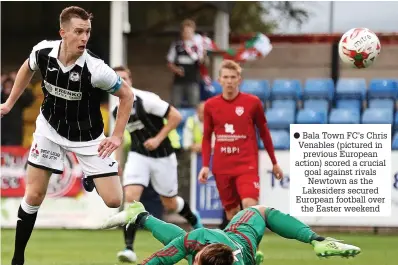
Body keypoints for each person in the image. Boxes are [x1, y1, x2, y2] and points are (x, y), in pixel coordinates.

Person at [0, 6, 134, 265]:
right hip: (49, 130)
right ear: (63, 32)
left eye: (88, 32)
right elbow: (26, 69)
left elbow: (127, 95)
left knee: (114, 200)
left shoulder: (97, 69)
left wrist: (116, 136)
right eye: (79, 32)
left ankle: (89, 174)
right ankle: (17, 259)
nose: (84, 38)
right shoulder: (42, 52)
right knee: (34, 195)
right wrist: (8, 104)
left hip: (88, 138)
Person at [110, 66, 203, 263]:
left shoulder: (146, 100)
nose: (121, 82)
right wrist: (116, 162)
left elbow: (176, 116)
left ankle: (195, 221)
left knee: (169, 202)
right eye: (117, 79)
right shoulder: (116, 110)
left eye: (124, 78)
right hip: (138, 155)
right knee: (131, 198)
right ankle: (128, 248)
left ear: (131, 80)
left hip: (163, 155)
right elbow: (117, 138)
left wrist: (158, 139)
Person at [101, 201, 361, 265]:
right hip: (242, 233)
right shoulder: (196, 240)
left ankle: (141, 215)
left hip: (242, 253)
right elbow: (159, 259)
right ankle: (317, 239)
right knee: (261, 210)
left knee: (177, 242)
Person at [198, 60, 284, 225]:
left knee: (250, 205)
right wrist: (205, 165)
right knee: (232, 214)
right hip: (222, 166)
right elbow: (207, 137)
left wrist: (274, 162)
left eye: (233, 77)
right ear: (219, 80)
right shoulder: (210, 105)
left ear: (239, 79)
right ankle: (241, 248)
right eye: (226, 77)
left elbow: (264, 133)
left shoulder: (252, 103)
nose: (229, 81)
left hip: (246, 164)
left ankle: (253, 250)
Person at [167, 19, 204, 108]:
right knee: (175, 106)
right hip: (178, 82)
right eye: (186, 31)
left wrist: (203, 55)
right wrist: (176, 70)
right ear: (182, 32)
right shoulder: (176, 45)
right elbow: (169, 62)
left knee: (194, 106)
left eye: (190, 31)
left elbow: (202, 62)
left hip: (193, 81)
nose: (188, 33)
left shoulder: (197, 46)